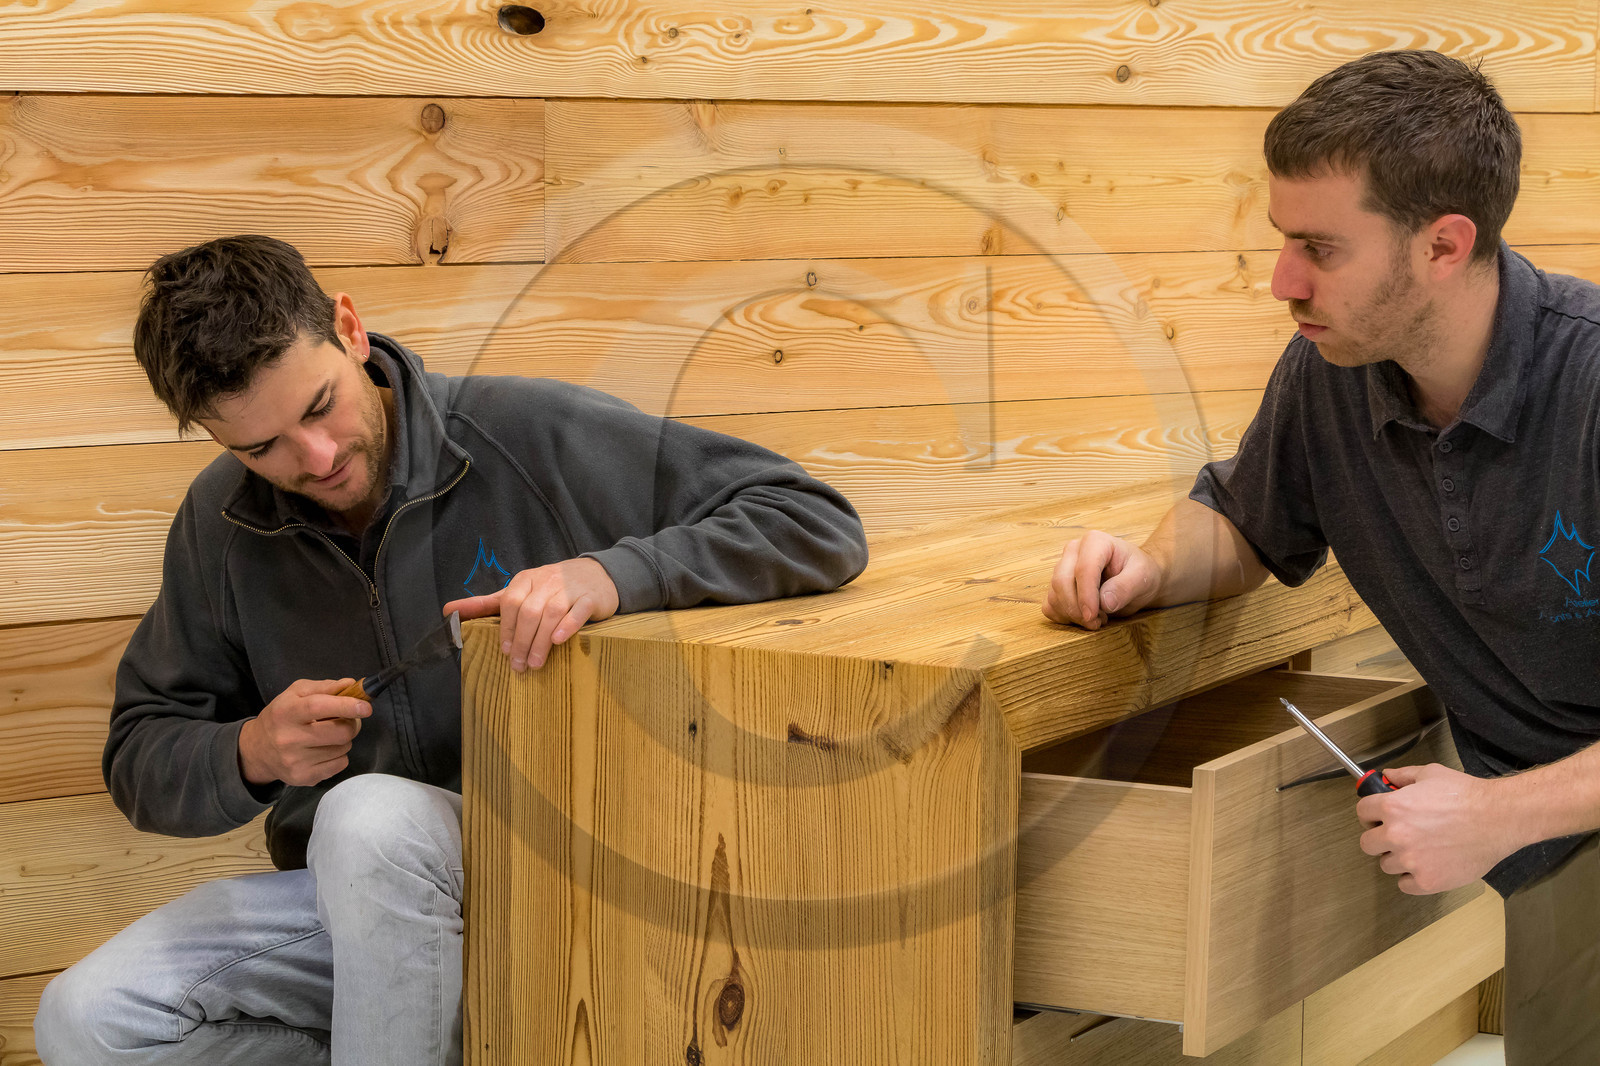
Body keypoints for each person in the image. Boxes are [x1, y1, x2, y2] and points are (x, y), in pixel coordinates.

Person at [33, 234, 870, 1065]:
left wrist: (610, 574)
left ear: (350, 330)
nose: (315, 458)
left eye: (320, 405)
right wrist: (249, 751)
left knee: (366, 818)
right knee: (85, 1019)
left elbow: (811, 517)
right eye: (261, 448)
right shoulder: (219, 526)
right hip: (356, 903)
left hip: (563, 882)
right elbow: (141, 751)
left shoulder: (524, 433)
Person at [1043, 50, 1600, 1063]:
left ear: (1442, 245)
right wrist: (1152, 567)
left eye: (1319, 247)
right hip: (1554, 838)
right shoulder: (1328, 370)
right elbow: (1249, 520)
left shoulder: (1593, 380)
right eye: (1279, 240)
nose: (1281, 281)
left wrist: (1493, 811)